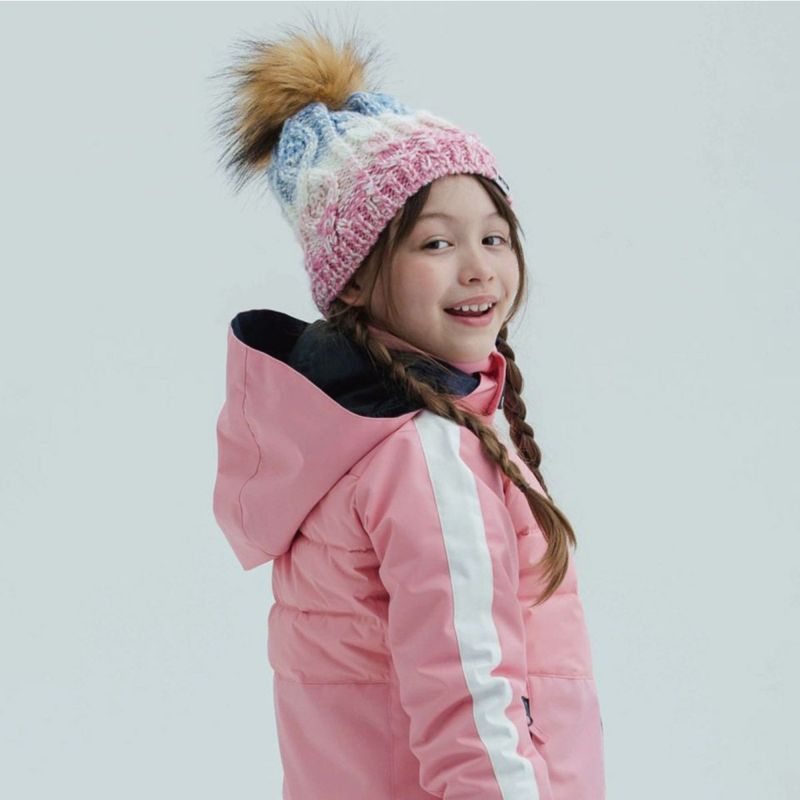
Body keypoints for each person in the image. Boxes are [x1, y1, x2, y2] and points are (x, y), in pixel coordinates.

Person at [211, 18, 605, 800]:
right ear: (355, 278)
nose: (478, 268)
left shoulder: (348, 441)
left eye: (495, 237)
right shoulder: (429, 457)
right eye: (435, 244)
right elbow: (472, 705)